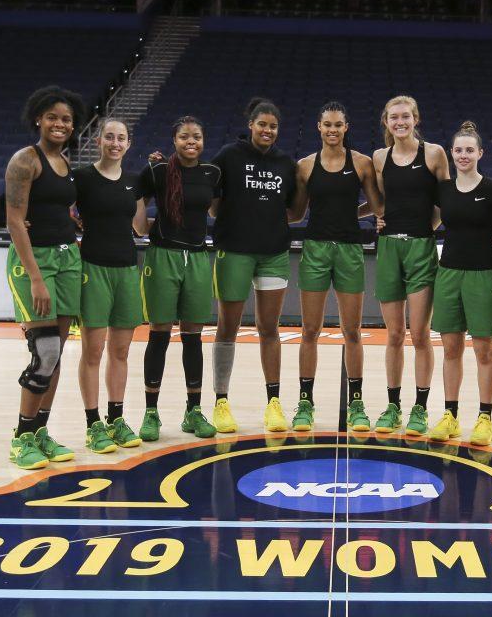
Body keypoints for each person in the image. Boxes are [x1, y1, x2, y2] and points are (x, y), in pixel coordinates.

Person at [3, 85, 86, 470]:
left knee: (56, 356)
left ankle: (40, 432)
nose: (60, 124)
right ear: (38, 118)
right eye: (52, 116)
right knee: (45, 352)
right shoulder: (25, 160)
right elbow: (15, 221)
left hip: (68, 258)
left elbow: (58, 208)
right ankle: (21, 439)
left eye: (66, 119)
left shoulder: (67, 164)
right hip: (33, 262)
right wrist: (35, 278)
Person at [288, 101, 383, 432]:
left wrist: (349, 215)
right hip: (314, 249)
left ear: (346, 127)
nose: (332, 129)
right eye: (327, 124)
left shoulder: (362, 163)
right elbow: (297, 213)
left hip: (349, 249)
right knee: (309, 331)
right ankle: (305, 402)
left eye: (338, 124)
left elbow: (377, 204)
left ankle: (356, 402)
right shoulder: (303, 166)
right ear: (319, 126)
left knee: (352, 331)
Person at [209, 98, 299, 433]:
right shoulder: (228, 156)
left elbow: (294, 211)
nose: (267, 130)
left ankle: (273, 403)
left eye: (273, 126)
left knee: (269, 329)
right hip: (234, 251)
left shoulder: (285, 164)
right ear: (251, 125)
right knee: (227, 328)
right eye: (262, 124)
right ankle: (221, 401)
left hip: (273, 253)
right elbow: (214, 207)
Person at [135, 116, 221, 442]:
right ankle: (151, 412)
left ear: (203, 141)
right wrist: (141, 227)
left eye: (196, 137)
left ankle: (193, 411)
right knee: (159, 333)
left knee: (193, 336)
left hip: (198, 258)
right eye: (184, 136)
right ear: (174, 139)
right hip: (162, 256)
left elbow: (216, 210)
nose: (191, 142)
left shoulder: (212, 174)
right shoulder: (157, 171)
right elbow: (133, 194)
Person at [370, 95, 450, 436]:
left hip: (420, 248)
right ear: (386, 122)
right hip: (388, 249)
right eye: (393, 117)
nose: (399, 121)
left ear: (415, 118)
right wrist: (368, 214)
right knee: (392, 335)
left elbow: (445, 203)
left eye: (405, 116)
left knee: (419, 335)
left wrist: (425, 230)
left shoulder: (434, 154)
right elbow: (382, 202)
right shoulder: (379, 157)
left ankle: (420, 408)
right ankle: (393, 407)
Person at [427, 121, 492, 447]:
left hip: (484, 274)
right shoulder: (443, 190)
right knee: (450, 349)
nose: (463, 155)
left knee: (484, 350)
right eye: (458, 150)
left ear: (480, 153)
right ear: (452, 153)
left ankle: (485, 418)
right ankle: (450, 416)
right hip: (448, 273)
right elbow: (429, 223)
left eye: (469, 150)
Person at [74, 118, 145, 455]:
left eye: (122, 138)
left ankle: (116, 418)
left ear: (128, 144)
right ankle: (92, 424)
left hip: (128, 270)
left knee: (120, 351)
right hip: (93, 269)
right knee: (93, 351)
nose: (115, 143)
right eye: (110, 137)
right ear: (99, 141)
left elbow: (142, 226)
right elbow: (59, 207)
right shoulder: (84, 178)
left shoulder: (133, 182)